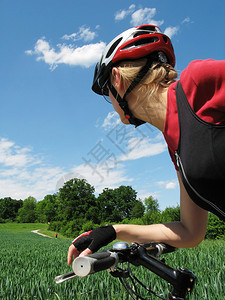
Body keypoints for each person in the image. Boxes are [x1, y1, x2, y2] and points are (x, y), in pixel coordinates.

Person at [67, 24, 225, 266]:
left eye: (107, 93)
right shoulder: (174, 140)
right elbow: (190, 231)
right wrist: (113, 230)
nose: (111, 102)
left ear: (117, 79)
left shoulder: (199, 83)